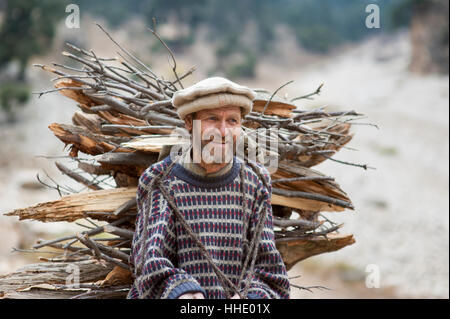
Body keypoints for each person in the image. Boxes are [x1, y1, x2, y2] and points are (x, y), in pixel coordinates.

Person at [127, 77, 290, 299]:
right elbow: (150, 262)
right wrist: (182, 290)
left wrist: (249, 298)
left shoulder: (255, 182)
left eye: (232, 120)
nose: (223, 131)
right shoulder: (160, 180)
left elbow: (269, 273)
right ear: (189, 122)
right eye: (212, 119)